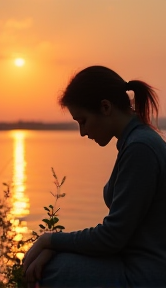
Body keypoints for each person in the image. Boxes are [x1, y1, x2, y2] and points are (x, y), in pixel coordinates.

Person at [23, 66, 166, 287]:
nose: (82, 133)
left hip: (146, 276)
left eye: (83, 121)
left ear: (105, 107)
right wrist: (52, 247)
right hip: (131, 263)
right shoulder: (136, 142)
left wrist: (49, 239)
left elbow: (112, 238)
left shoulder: (140, 148)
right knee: (51, 259)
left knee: (52, 269)